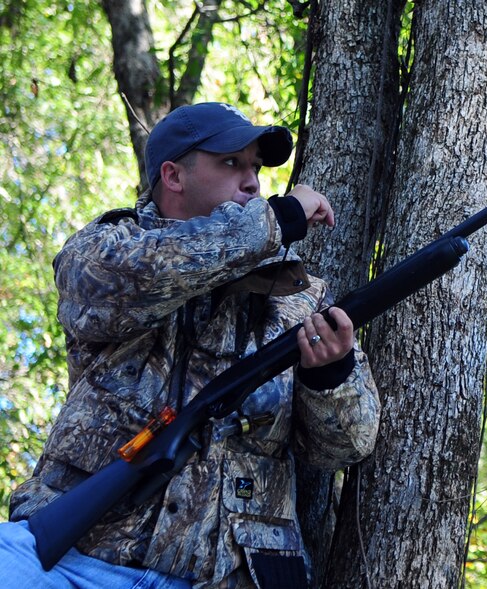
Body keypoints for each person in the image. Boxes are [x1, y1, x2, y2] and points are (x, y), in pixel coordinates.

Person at [0, 102, 380, 588]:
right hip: (74, 560)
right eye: (231, 163)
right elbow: (153, 270)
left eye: (257, 169)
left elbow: (346, 448)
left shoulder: (300, 298)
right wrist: (276, 221)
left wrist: (330, 375)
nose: (252, 183)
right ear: (173, 176)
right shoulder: (105, 251)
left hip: (223, 576)